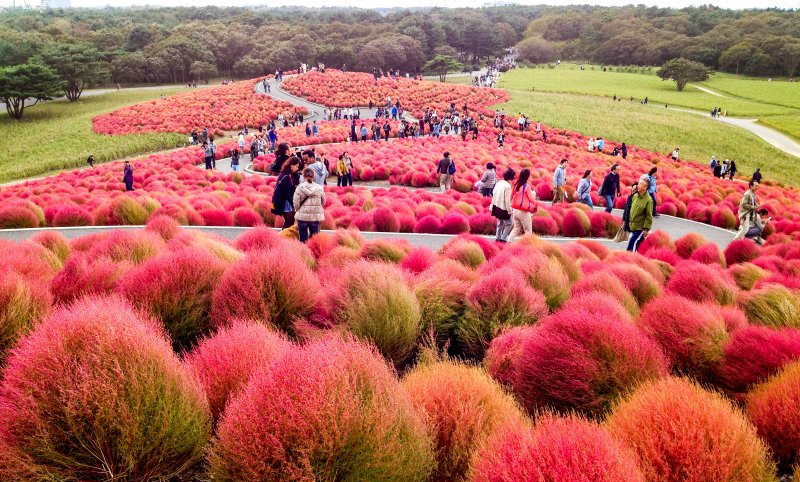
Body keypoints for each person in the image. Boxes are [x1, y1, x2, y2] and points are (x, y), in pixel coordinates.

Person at [293, 167, 327, 243]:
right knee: (314, 240)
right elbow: (323, 201)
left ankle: (303, 250)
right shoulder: (319, 188)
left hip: (302, 217)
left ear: (304, 176)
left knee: (303, 239)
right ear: (313, 176)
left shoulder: (299, 188)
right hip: (315, 218)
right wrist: (317, 208)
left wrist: (299, 210)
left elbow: (296, 203)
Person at [508, 168, 538, 242]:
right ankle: (527, 245)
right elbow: (531, 199)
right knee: (528, 231)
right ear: (527, 176)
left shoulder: (516, 184)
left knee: (516, 229)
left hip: (515, 210)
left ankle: (508, 243)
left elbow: (511, 196)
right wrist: (534, 197)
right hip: (523, 211)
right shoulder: (527, 186)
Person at [272, 157, 301, 230]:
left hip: (285, 201)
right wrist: (293, 205)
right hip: (284, 202)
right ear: (291, 165)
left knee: (291, 220)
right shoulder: (286, 177)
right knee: (289, 221)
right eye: (296, 166)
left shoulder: (288, 174)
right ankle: (282, 235)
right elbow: (287, 194)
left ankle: (285, 235)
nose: (297, 168)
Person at [626, 178, 654, 252]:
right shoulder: (635, 196)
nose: (638, 185)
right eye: (639, 183)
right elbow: (631, 209)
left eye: (640, 184)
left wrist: (646, 229)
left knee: (632, 243)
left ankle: (629, 257)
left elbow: (649, 216)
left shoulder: (648, 200)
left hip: (640, 227)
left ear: (645, 187)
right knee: (638, 244)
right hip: (633, 226)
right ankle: (643, 256)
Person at [491, 168, 515, 242]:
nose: (514, 177)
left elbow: (493, 192)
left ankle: (498, 238)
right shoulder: (508, 186)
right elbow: (507, 201)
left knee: (500, 222)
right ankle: (503, 238)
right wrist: (509, 210)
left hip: (496, 206)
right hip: (503, 208)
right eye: (513, 175)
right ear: (510, 176)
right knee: (509, 223)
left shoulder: (499, 182)